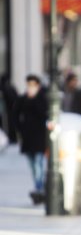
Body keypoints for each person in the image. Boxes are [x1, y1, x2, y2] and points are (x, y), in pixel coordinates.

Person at [13, 75, 48, 204]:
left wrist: (33, 100)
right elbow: (15, 115)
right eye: (29, 85)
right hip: (27, 138)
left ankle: (39, 189)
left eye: (33, 85)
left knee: (38, 164)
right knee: (33, 165)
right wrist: (20, 130)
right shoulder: (22, 99)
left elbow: (44, 114)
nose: (31, 88)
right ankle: (39, 187)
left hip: (39, 137)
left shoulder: (41, 99)